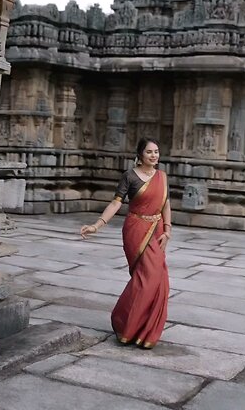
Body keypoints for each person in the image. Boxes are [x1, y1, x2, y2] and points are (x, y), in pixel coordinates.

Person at [79, 137, 171, 348]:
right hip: (136, 229)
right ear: (140, 154)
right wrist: (97, 225)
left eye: (156, 151)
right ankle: (125, 322)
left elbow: (166, 204)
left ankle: (141, 329)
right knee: (147, 277)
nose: (154, 155)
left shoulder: (162, 177)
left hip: (156, 231)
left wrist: (167, 230)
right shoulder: (129, 176)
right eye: (149, 152)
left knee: (158, 279)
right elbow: (115, 203)